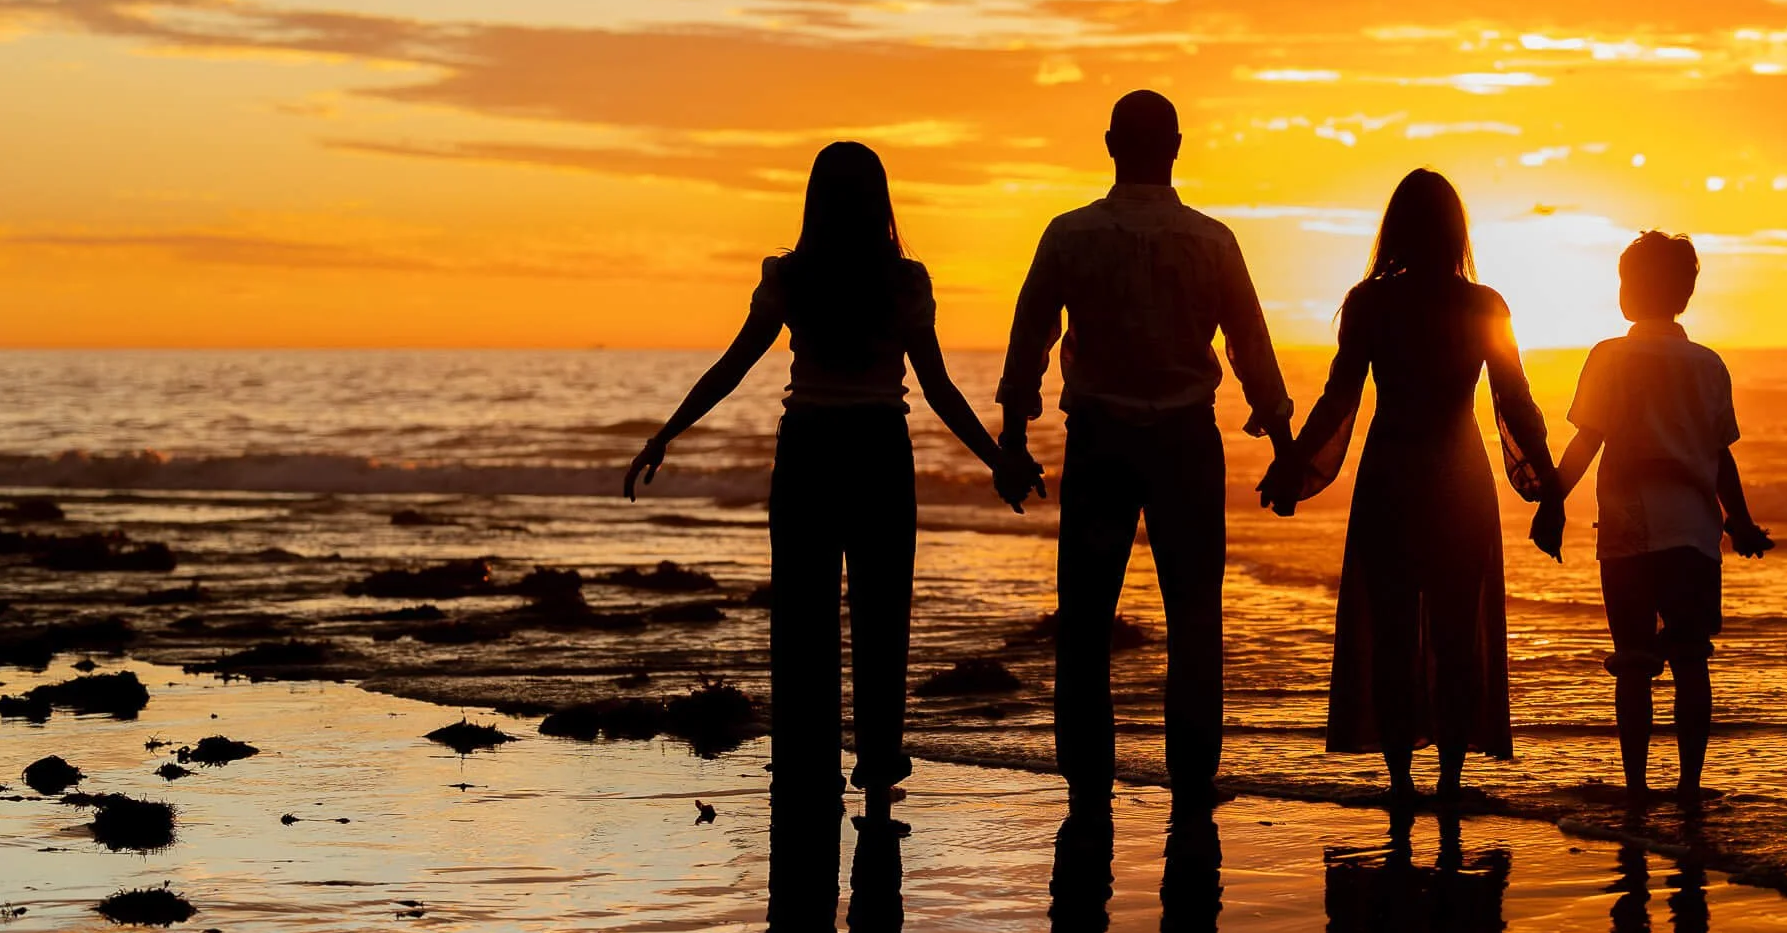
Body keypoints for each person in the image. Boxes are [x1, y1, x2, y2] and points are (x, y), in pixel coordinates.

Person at [624, 141, 1031, 806]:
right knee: (881, 611)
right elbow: (939, 389)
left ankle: (806, 761)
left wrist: (666, 432)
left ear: (815, 201)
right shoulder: (903, 283)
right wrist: (999, 460)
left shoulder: (792, 277)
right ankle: (876, 764)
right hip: (878, 451)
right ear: (880, 203)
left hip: (809, 451)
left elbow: (733, 366)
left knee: (803, 615)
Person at [995, 88, 1297, 810]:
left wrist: (1012, 436)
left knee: (1087, 619)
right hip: (1187, 446)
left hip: (1099, 440)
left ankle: (1086, 782)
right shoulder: (1213, 241)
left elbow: (1028, 341)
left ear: (1108, 144)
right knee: (1194, 616)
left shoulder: (1069, 235)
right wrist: (1284, 446)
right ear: (1178, 146)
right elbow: (1252, 348)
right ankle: (1193, 779)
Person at [1276, 168, 1560, 804]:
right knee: (1459, 635)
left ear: (1395, 230)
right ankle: (1452, 783)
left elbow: (1338, 400)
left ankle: (1402, 783)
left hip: (1391, 481)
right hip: (1460, 483)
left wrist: (1294, 465)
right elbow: (1515, 402)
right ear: (1457, 231)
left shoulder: (1370, 303)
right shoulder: (1484, 304)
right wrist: (1551, 486)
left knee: (1394, 635)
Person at [1533, 232, 1772, 804]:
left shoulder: (1609, 356)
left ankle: (1637, 785)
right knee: (1691, 658)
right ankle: (1689, 786)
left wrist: (1552, 501)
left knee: (1635, 660)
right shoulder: (1708, 364)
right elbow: (1720, 457)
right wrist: (1738, 522)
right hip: (1694, 533)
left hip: (1629, 529)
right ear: (1684, 293)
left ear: (1629, 291)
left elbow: (1587, 440)